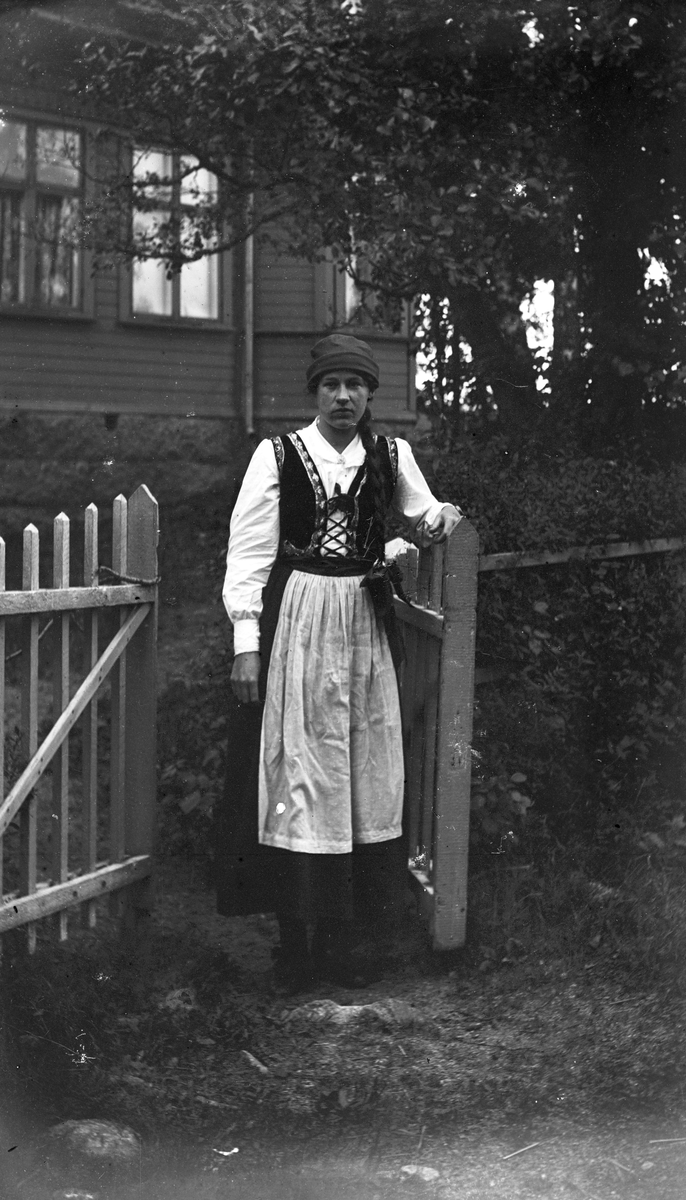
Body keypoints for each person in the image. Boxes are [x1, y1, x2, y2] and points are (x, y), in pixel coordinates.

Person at [216, 333, 460, 992]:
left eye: (355, 386)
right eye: (332, 385)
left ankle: (345, 944)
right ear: (315, 392)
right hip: (297, 621)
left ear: (369, 394)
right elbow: (249, 554)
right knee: (298, 770)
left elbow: (424, 514)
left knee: (358, 771)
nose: (343, 397)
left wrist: (440, 519)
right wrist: (246, 645)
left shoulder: (390, 455)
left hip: (363, 625)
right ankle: (295, 947)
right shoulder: (278, 455)